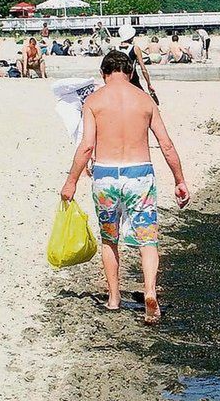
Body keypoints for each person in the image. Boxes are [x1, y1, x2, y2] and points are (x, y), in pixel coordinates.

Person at [59, 51, 190, 322]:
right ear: (130, 73)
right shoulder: (145, 100)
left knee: (110, 238)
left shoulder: (94, 101)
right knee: (148, 238)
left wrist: (70, 181)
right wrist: (179, 180)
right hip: (139, 173)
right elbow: (166, 144)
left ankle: (114, 298)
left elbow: (86, 147)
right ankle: (150, 292)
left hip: (105, 175)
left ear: (104, 73)